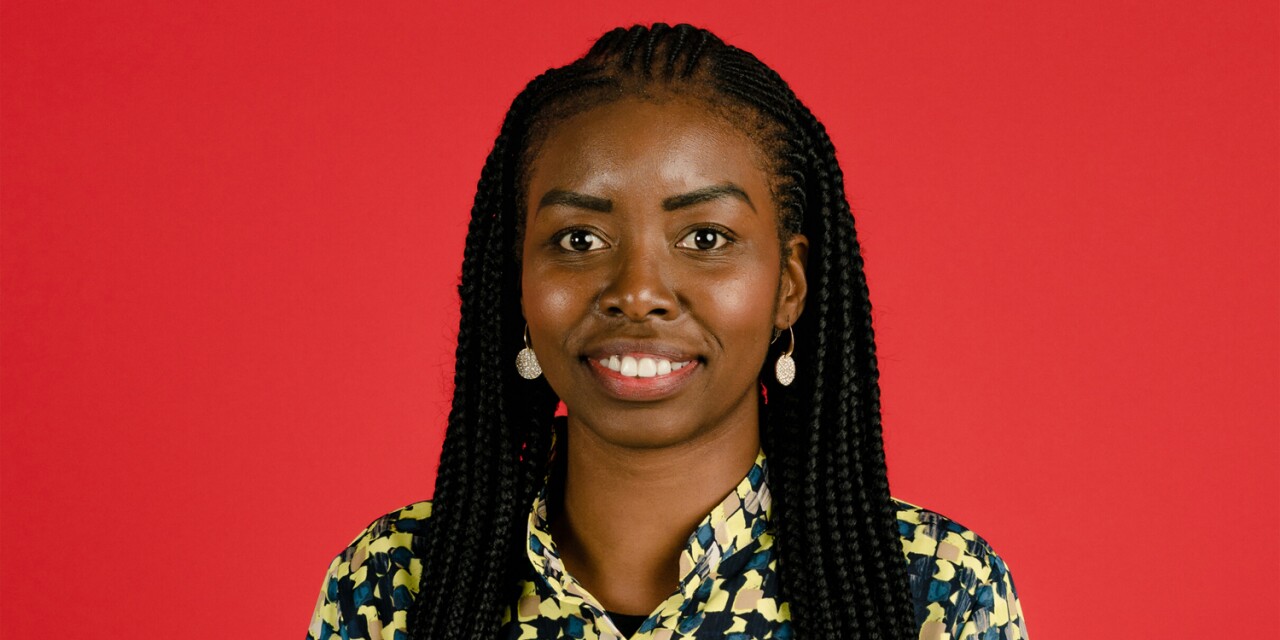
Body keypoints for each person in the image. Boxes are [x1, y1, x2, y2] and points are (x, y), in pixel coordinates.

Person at [306, 23, 1028, 640]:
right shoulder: (394, 586)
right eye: (579, 240)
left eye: (706, 238)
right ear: (516, 284)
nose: (637, 293)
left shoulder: (932, 592)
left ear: (790, 286)